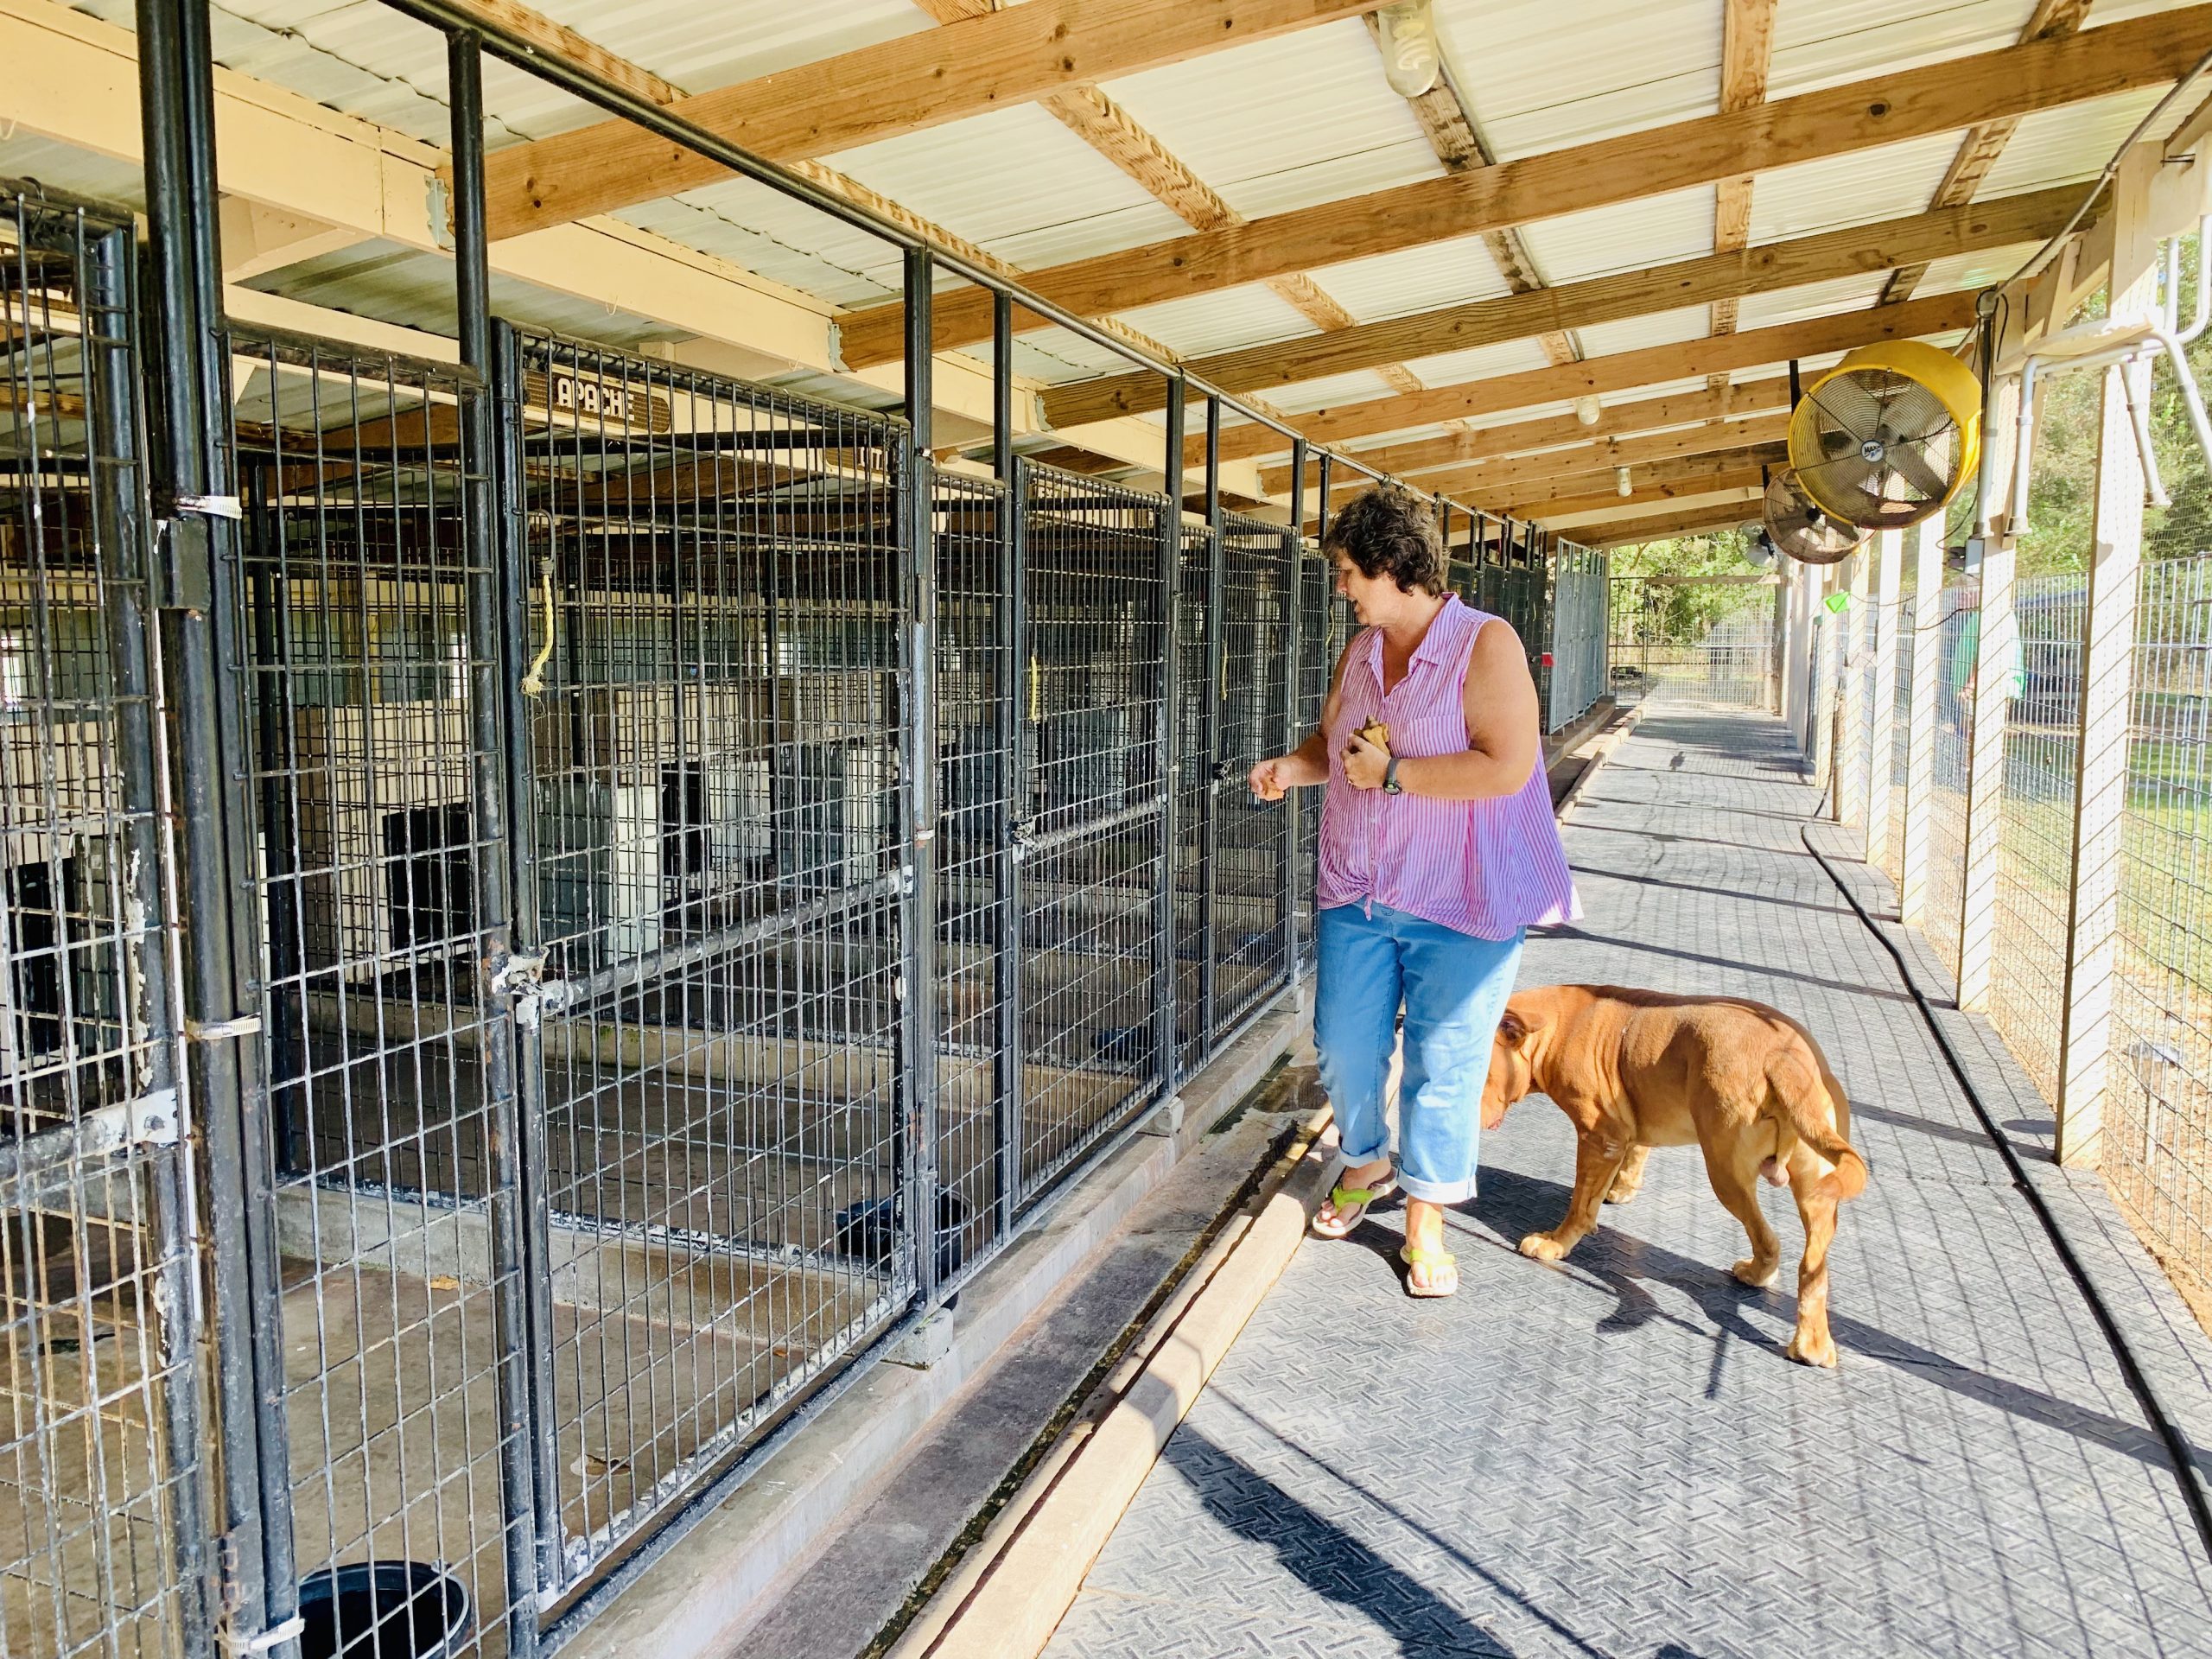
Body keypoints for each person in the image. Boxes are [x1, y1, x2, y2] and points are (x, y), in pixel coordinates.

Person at [1249, 487, 1580, 1297]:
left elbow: (1506, 765)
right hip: (1358, 887)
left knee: (1445, 1060)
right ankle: (1366, 1161)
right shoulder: (1361, 653)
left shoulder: (1485, 646)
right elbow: (1336, 744)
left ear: (1395, 569)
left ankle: (1427, 1217)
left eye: (1350, 571)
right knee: (1345, 1042)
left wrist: (1396, 775)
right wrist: (1294, 768)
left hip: (1460, 898)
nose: (1342, 588)